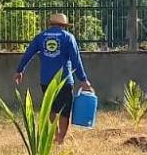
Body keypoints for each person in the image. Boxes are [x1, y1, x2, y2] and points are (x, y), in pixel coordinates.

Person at [14, 13, 93, 145]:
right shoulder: (68, 37)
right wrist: (83, 79)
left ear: (50, 24)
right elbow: (76, 60)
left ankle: (54, 134)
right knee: (64, 111)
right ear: (64, 25)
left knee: (51, 108)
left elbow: (28, 53)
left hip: (46, 80)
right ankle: (60, 138)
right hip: (64, 80)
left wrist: (19, 70)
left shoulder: (40, 37)